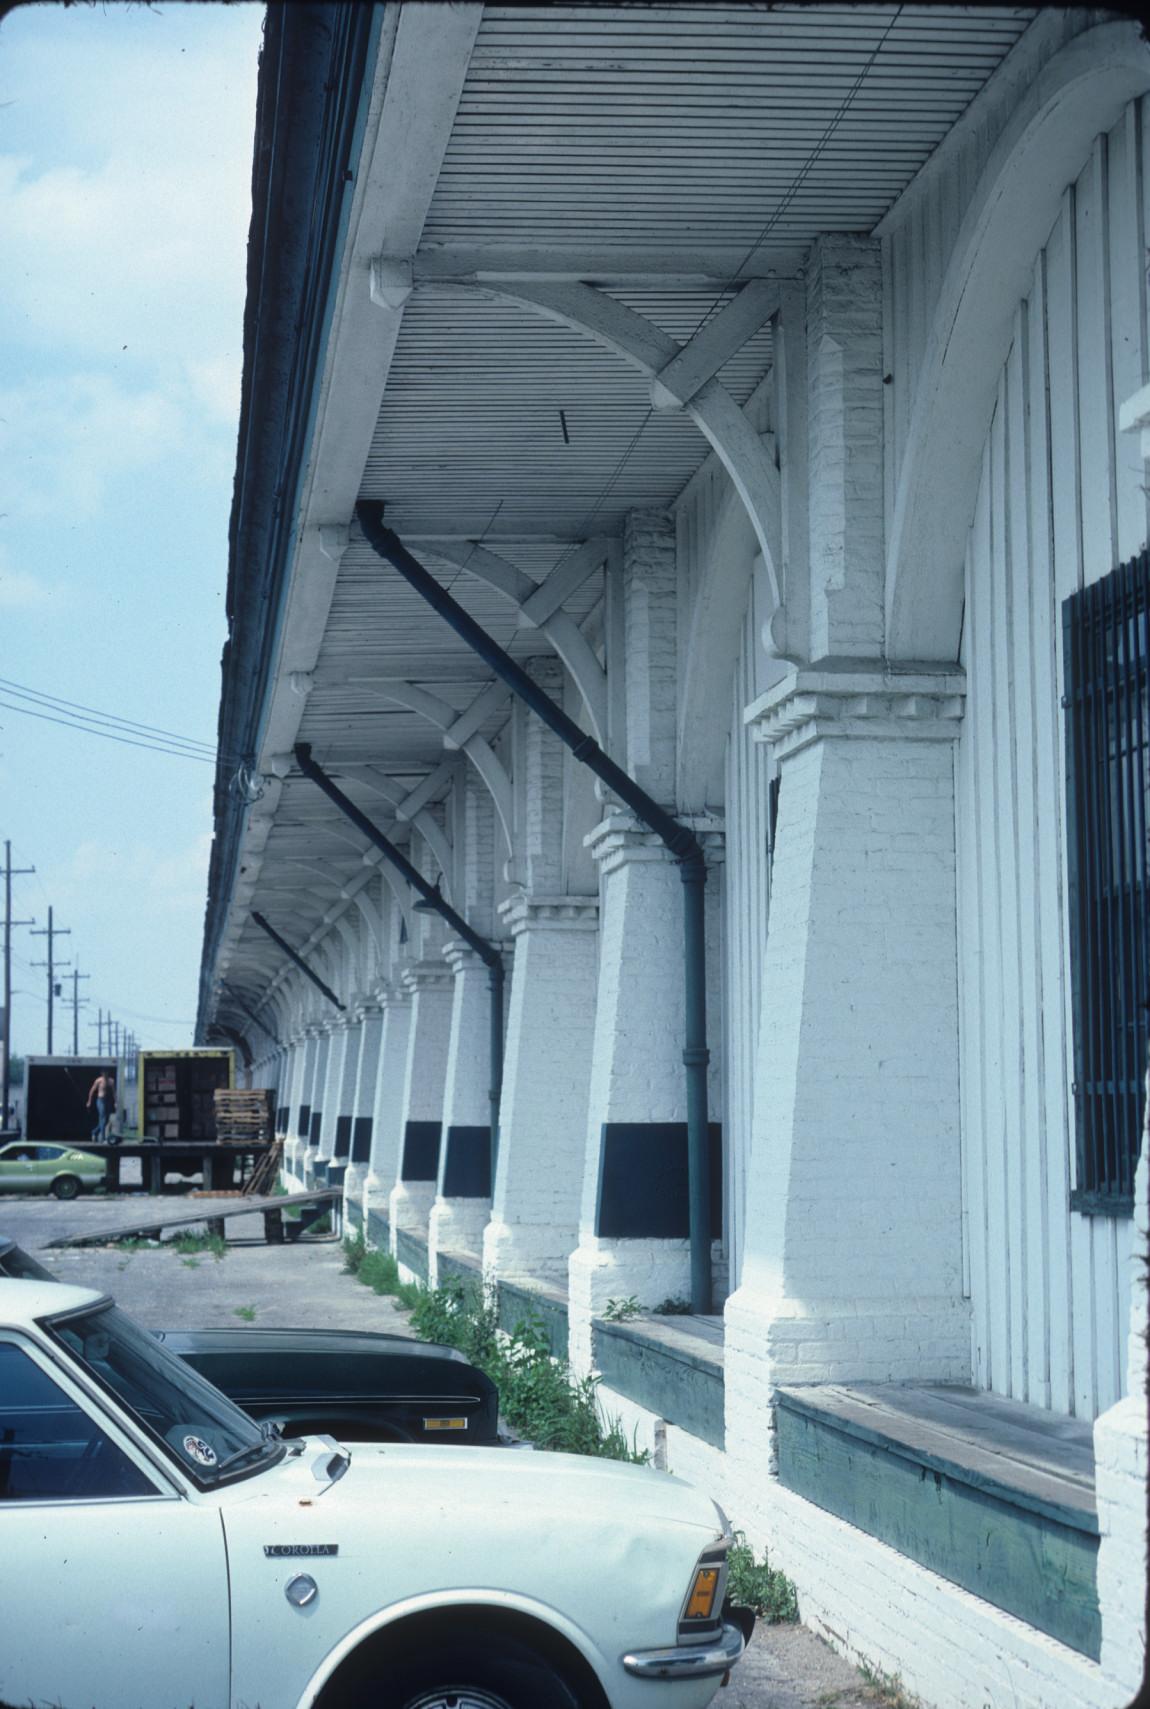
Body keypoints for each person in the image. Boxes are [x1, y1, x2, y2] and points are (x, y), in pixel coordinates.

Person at [86, 1071, 116, 1144]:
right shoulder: (98, 1081)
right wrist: (89, 1101)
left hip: (108, 1100)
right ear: (102, 1074)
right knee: (102, 1117)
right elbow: (92, 1091)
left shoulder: (111, 1081)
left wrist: (116, 1102)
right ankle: (103, 1138)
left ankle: (94, 1132)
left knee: (106, 1120)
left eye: (106, 1073)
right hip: (100, 1100)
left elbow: (114, 1092)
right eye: (104, 1073)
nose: (105, 1074)